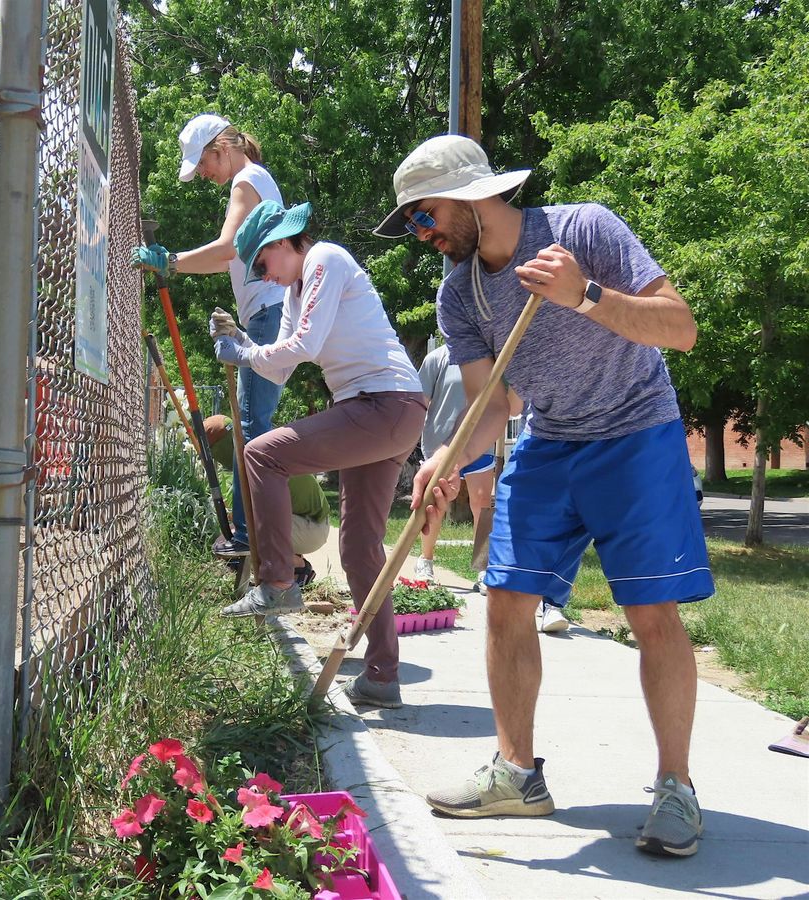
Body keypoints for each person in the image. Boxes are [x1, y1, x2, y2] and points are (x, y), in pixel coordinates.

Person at [376, 134, 714, 857]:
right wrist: (441, 459)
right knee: (504, 598)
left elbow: (680, 328)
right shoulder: (459, 292)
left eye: (424, 214)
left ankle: (676, 788)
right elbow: (488, 404)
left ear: (472, 195)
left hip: (635, 433)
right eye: (413, 222)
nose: (421, 233)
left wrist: (584, 295)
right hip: (550, 438)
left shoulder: (584, 229)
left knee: (650, 612)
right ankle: (517, 774)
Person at [211, 199, 459, 710]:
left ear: (283, 243)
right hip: (379, 411)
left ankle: (278, 580)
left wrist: (246, 353)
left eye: (262, 264)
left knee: (262, 455)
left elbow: (303, 345)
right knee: (359, 549)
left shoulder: (326, 258)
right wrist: (240, 343)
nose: (265, 276)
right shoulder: (298, 289)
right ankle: (382, 678)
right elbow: (280, 368)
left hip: (384, 403)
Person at [130, 113, 285, 559]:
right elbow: (227, 260)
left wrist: (170, 261)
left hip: (266, 315)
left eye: (202, 163)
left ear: (221, 148)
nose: (202, 174)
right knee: (254, 426)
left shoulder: (247, 181)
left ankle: (248, 538)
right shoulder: (257, 181)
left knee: (253, 429)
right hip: (267, 313)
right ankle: (257, 538)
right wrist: (175, 264)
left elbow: (227, 248)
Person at [202, 414, 327, 586]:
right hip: (306, 522)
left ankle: (299, 568)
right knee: (234, 535)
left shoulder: (255, 462)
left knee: (241, 537)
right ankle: (289, 564)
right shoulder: (263, 447)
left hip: (312, 527)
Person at [413, 342, 496, 586]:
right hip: (440, 446)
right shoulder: (437, 358)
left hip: (480, 441)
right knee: (434, 503)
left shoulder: (489, 355)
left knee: (481, 502)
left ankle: (483, 567)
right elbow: (421, 402)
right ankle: (425, 561)